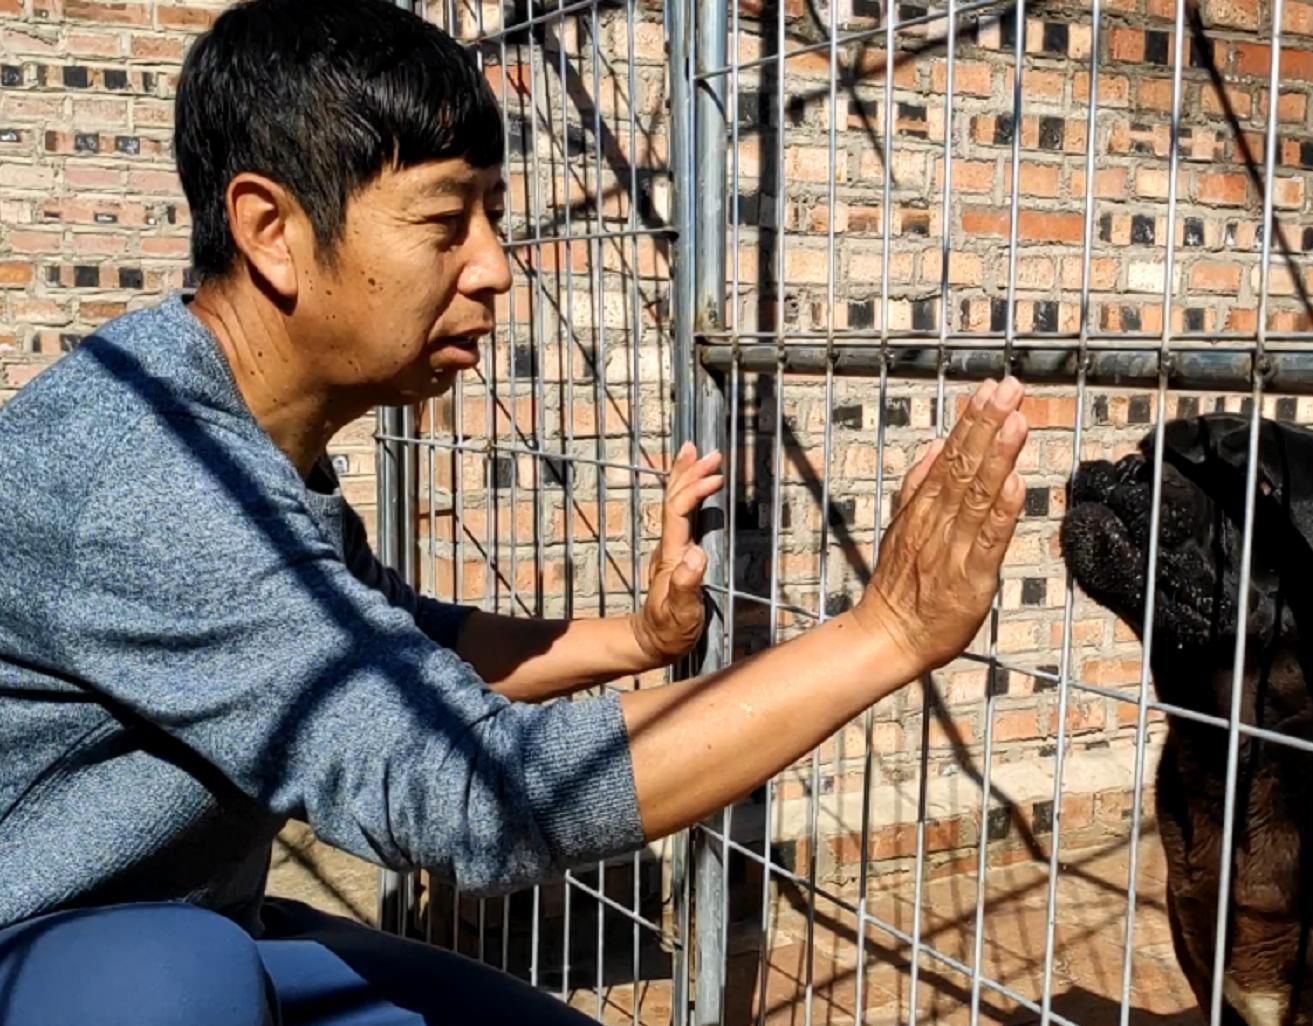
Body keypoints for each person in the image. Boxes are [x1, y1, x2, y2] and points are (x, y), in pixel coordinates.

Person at [0, 0, 1030, 1022]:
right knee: (172, 982)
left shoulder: (245, 437)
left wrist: (636, 637)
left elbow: (397, 642)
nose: (495, 267)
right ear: (272, 229)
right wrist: (885, 635)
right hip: (61, 952)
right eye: (448, 222)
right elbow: (465, 790)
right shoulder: (148, 480)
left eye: (492, 216)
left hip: (202, 927)